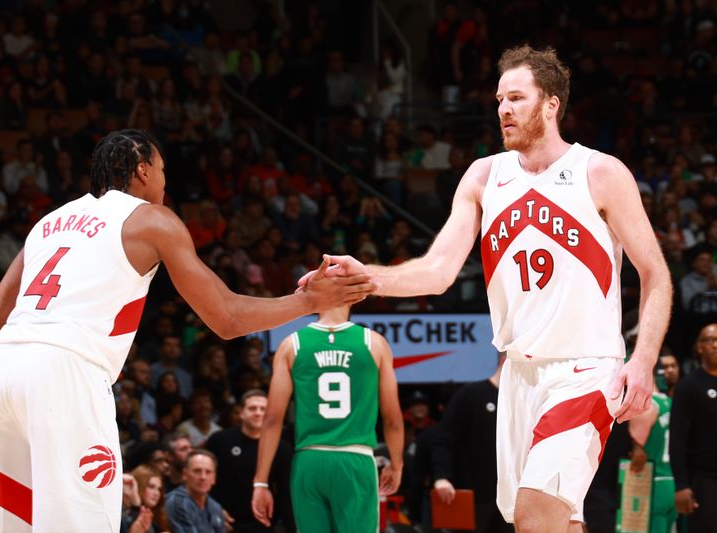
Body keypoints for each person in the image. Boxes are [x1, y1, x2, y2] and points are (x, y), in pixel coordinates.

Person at [300, 45, 672, 532]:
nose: (503, 109)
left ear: (551, 104)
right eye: (499, 99)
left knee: (538, 513)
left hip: (583, 368)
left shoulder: (599, 172)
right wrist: (366, 277)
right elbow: (436, 271)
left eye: (516, 98)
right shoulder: (484, 175)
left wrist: (641, 362)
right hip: (518, 375)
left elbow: (656, 273)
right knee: (548, 520)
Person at [0, 129, 373, 532]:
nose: (165, 180)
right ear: (143, 171)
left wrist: (12, 393)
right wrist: (308, 302)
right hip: (65, 369)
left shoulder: (49, 223)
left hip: (3, 369)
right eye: (162, 170)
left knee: (14, 525)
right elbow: (227, 318)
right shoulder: (151, 219)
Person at [252, 304, 404, 532]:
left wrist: (261, 482)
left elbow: (272, 419)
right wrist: (396, 464)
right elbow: (392, 420)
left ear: (317, 300)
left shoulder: (291, 344)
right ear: (352, 297)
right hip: (354, 459)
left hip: (309, 460)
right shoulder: (374, 343)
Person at [432, 354, 512, 533]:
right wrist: (441, 477)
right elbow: (443, 438)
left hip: (509, 500)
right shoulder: (471, 394)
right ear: (505, 361)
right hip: (473, 499)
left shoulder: (520, 402)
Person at [206, 389, 293, 533]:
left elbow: (285, 493)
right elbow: (205, 479)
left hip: (264, 524)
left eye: (263, 409)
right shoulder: (220, 440)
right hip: (224, 522)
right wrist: (213, 509)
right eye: (252, 408)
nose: (258, 413)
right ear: (241, 412)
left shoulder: (282, 448)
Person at [669, 323, 717, 533]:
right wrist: (681, 485)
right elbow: (677, 438)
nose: (715, 345)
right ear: (699, 347)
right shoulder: (689, 385)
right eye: (709, 340)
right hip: (704, 480)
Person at [628, 361, 676, 533]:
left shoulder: (646, 405)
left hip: (651, 483)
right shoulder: (670, 403)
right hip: (672, 482)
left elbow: (637, 455)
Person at [165, 449, 226, 533]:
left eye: (208, 472)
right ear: (184, 475)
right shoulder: (177, 502)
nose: (203, 477)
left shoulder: (215, 507)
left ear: (214, 478)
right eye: (197, 471)